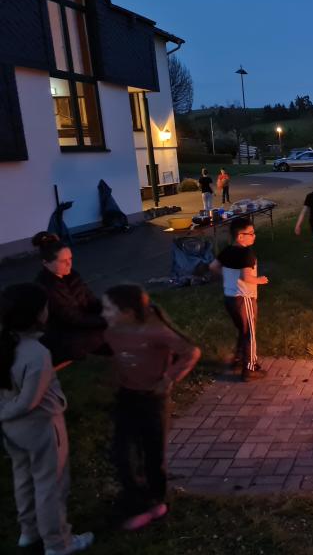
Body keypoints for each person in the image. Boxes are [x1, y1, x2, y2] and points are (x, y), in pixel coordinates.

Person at [0, 283, 94, 555]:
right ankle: (58, 543)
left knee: (23, 477)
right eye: (44, 307)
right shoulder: (36, 354)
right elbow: (30, 400)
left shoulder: (6, 343)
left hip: (12, 431)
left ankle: (28, 532)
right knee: (50, 484)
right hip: (41, 428)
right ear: (36, 314)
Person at [102, 284, 200, 531]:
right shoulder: (110, 330)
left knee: (153, 454)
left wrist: (168, 378)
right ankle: (137, 500)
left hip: (151, 399)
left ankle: (156, 501)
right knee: (121, 453)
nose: (102, 313)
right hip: (126, 397)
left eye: (108, 308)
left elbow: (190, 351)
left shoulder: (155, 331)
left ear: (128, 312)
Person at [32, 232, 107, 368]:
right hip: (62, 334)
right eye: (63, 261)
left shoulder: (72, 275)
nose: (69, 264)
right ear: (46, 263)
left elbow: (90, 300)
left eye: (70, 258)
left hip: (81, 324)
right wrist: (105, 321)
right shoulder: (46, 286)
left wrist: (110, 311)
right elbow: (71, 318)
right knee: (104, 335)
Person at [209, 218, 268, 382]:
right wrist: (260, 280)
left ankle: (237, 361)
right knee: (250, 333)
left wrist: (228, 279)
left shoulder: (227, 250)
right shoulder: (246, 253)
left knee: (242, 331)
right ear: (240, 236)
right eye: (250, 233)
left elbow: (212, 267)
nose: (254, 236)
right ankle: (250, 369)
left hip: (230, 299)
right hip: (245, 299)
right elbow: (247, 276)